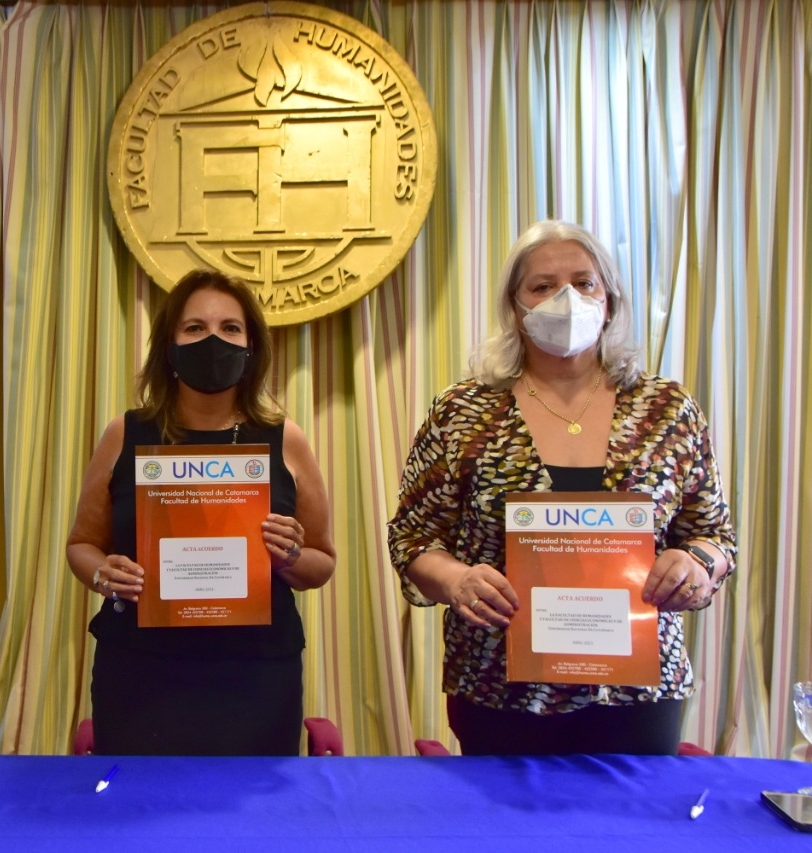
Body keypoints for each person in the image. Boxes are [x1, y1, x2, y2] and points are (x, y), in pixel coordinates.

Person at [388, 220, 737, 756]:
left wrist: (697, 564)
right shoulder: (461, 411)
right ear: (515, 307)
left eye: (583, 282)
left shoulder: (668, 408)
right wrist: (456, 580)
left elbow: (714, 535)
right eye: (543, 286)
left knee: (634, 814)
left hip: (638, 691)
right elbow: (412, 538)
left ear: (609, 300)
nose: (566, 299)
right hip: (498, 686)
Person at [66, 269, 335, 755]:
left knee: (251, 804)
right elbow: (82, 545)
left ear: (251, 346)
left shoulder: (284, 438)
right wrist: (104, 573)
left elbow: (322, 561)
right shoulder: (125, 433)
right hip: (141, 670)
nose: (214, 340)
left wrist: (288, 557)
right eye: (195, 328)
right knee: (143, 800)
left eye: (230, 328)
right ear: (169, 346)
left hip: (256, 675)